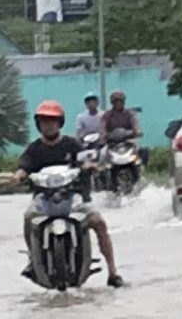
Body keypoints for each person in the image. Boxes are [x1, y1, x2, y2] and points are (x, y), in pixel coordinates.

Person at [18, 100, 126, 286]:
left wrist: (89, 165)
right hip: (44, 200)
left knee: (98, 223)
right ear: (38, 124)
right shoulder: (34, 149)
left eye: (52, 121)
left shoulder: (72, 144)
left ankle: (113, 271)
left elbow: (84, 159)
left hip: (74, 197)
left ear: (60, 123)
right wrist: (19, 174)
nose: (48, 125)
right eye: (44, 121)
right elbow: (24, 166)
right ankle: (32, 260)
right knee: (29, 218)